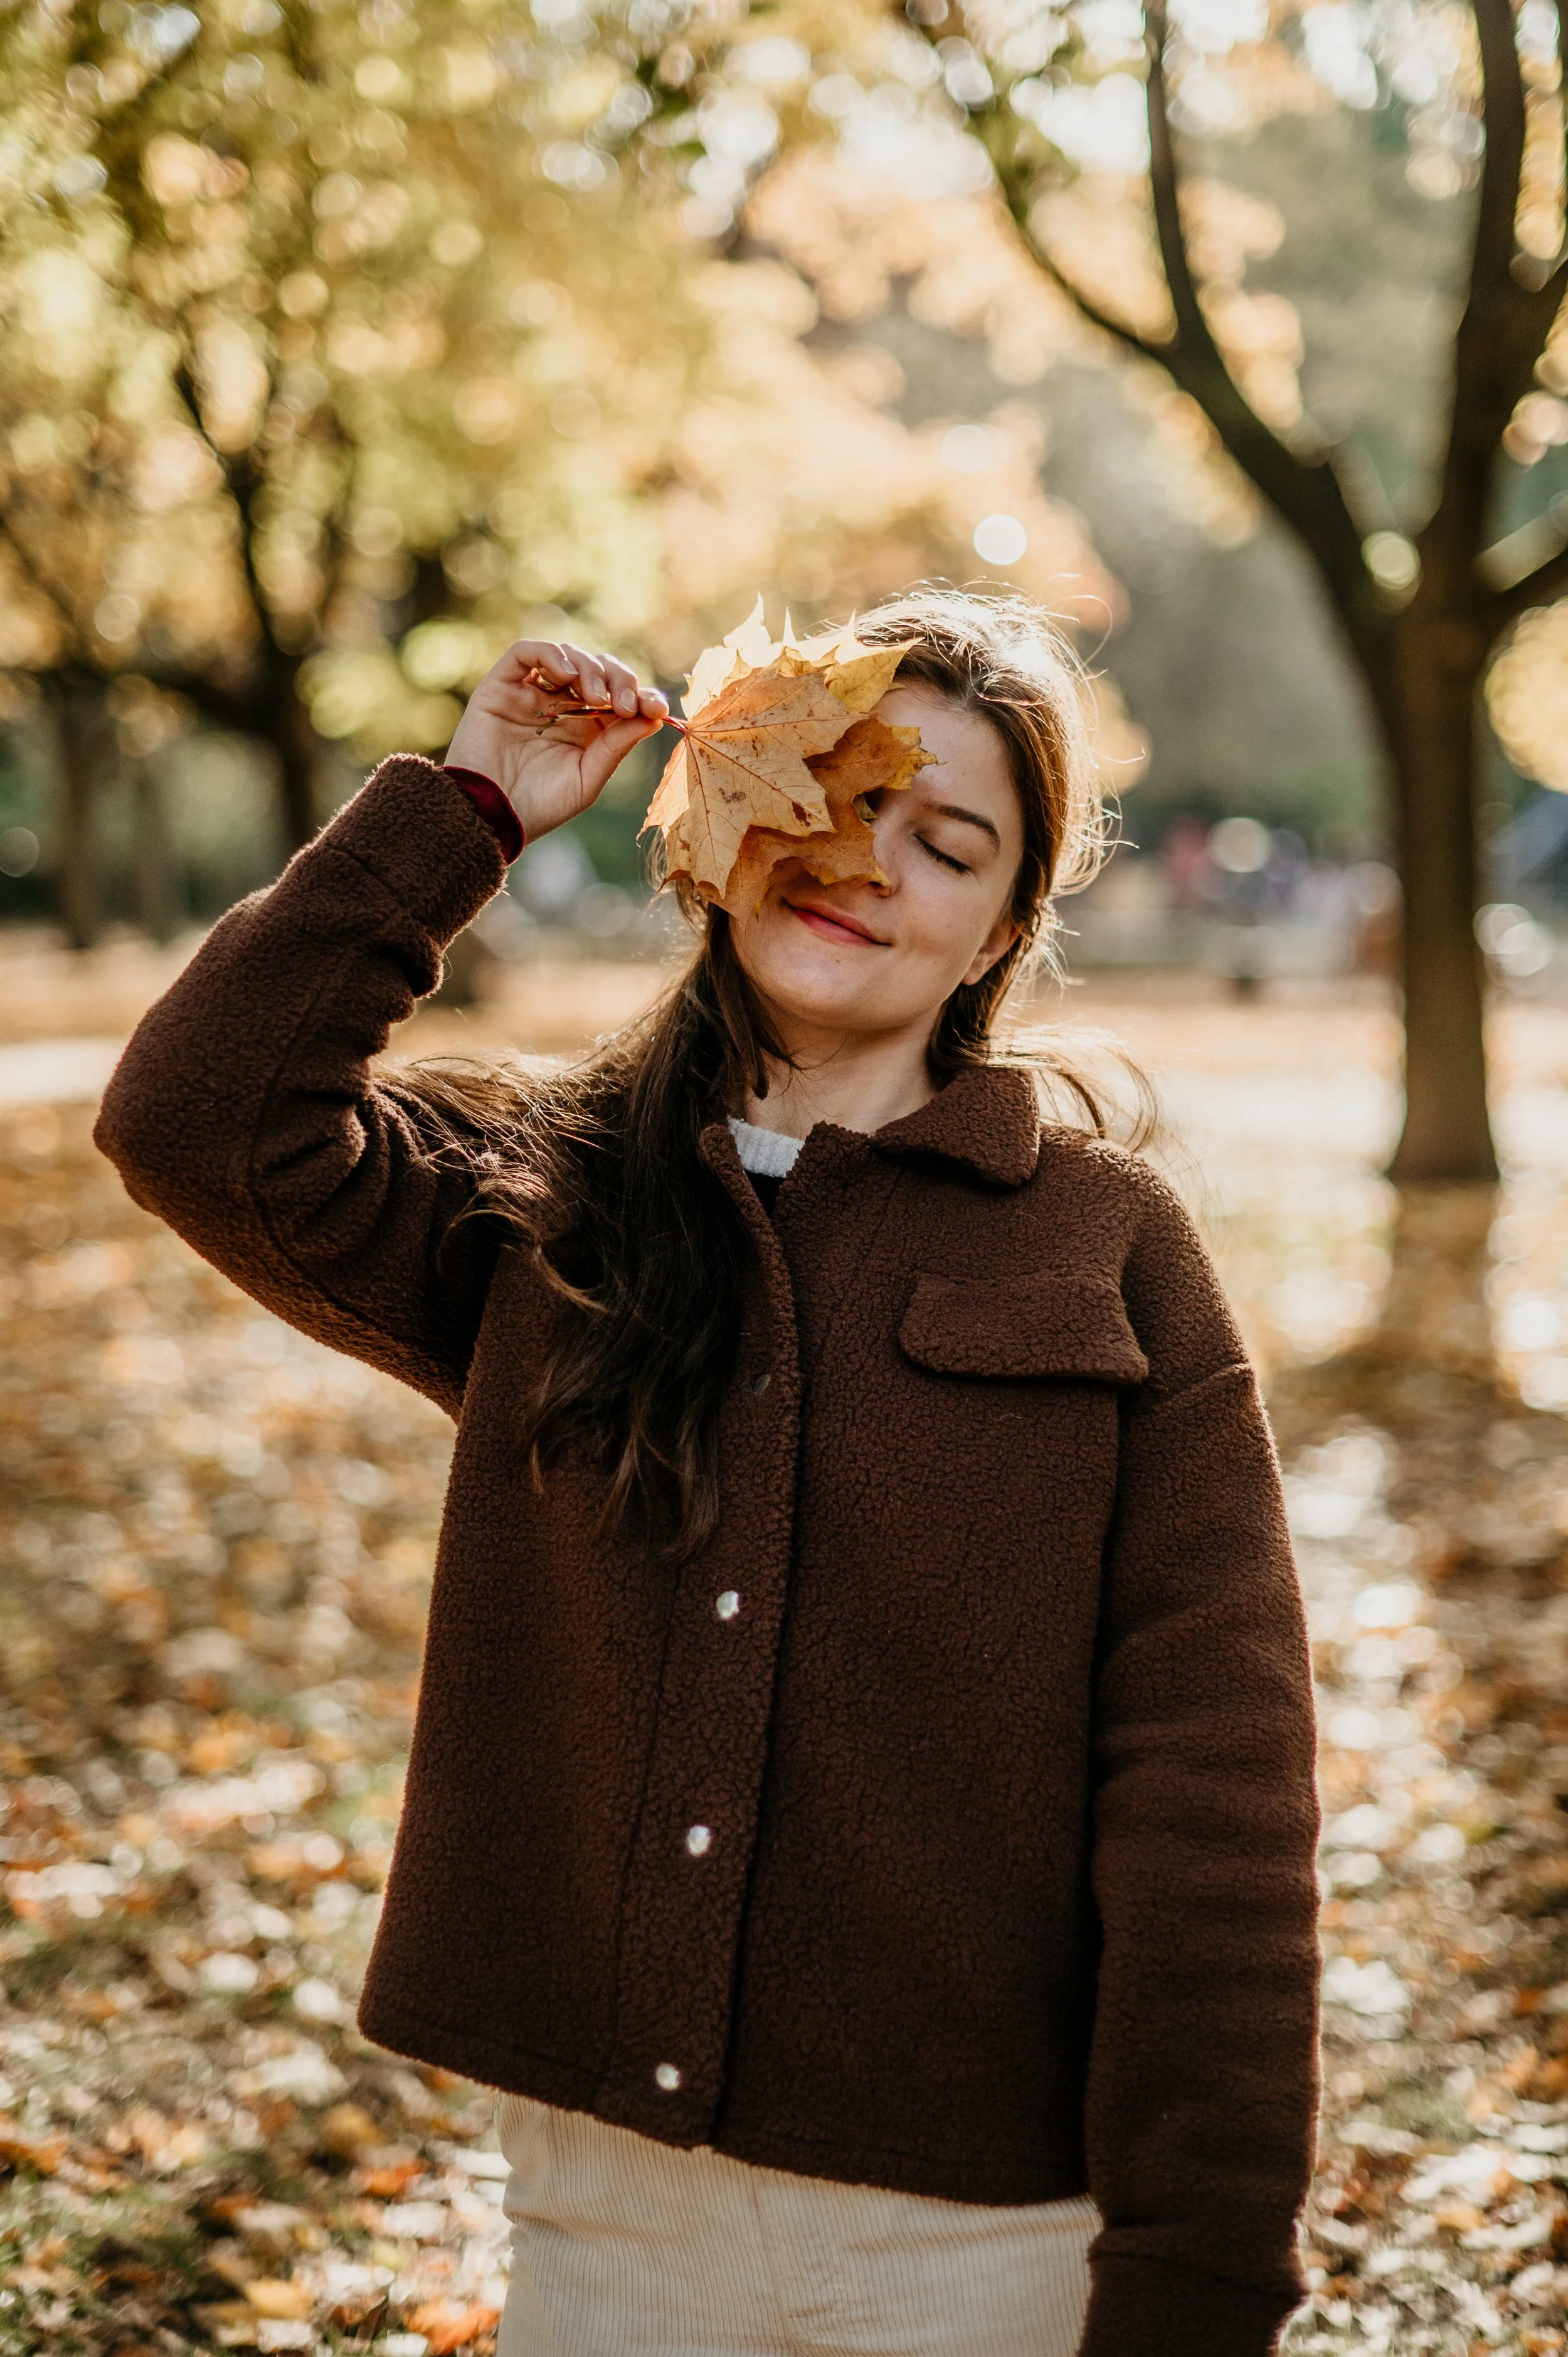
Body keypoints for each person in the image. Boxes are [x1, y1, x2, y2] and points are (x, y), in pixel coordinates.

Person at [96, 589, 1319, 2357]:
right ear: (725, 813)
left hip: (985, 2240)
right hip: (611, 2218)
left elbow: (1214, 1785)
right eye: (823, 789)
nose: (863, 859)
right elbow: (193, 1116)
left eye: (945, 840)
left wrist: (1197, 2277)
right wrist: (474, 807)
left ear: (998, 929)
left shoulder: (1106, 1247)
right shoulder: (543, 1192)